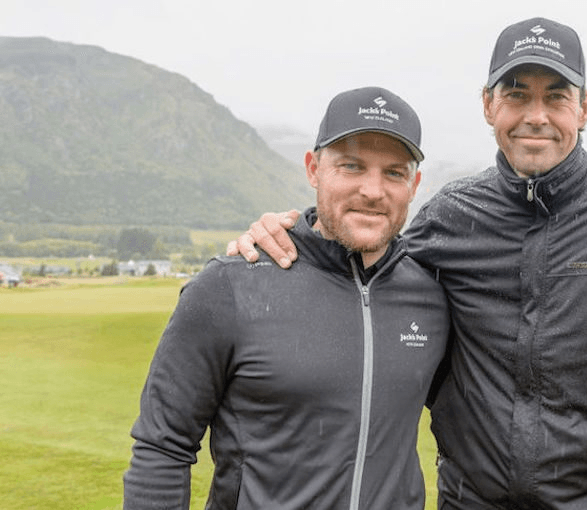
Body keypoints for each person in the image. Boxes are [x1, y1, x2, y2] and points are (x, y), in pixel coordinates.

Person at [230, 17, 587, 509]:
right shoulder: (449, 217)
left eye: (557, 96)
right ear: (488, 105)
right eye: (517, 94)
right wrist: (292, 228)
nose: (536, 116)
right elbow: (360, 261)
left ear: (584, 108)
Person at [124, 86, 450, 510]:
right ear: (314, 169)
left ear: (414, 184)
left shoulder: (431, 298)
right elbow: (162, 447)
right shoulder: (229, 286)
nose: (373, 190)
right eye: (352, 166)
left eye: (393, 172)